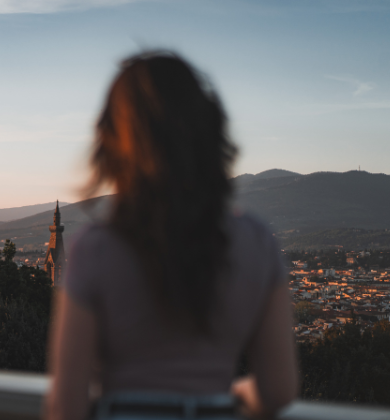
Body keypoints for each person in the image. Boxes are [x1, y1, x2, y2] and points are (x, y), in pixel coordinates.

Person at [45, 51, 297, 420]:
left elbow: (66, 407)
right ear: (210, 132)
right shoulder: (257, 242)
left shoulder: (96, 248)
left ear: (112, 142)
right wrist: (234, 394)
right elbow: (277, 391)